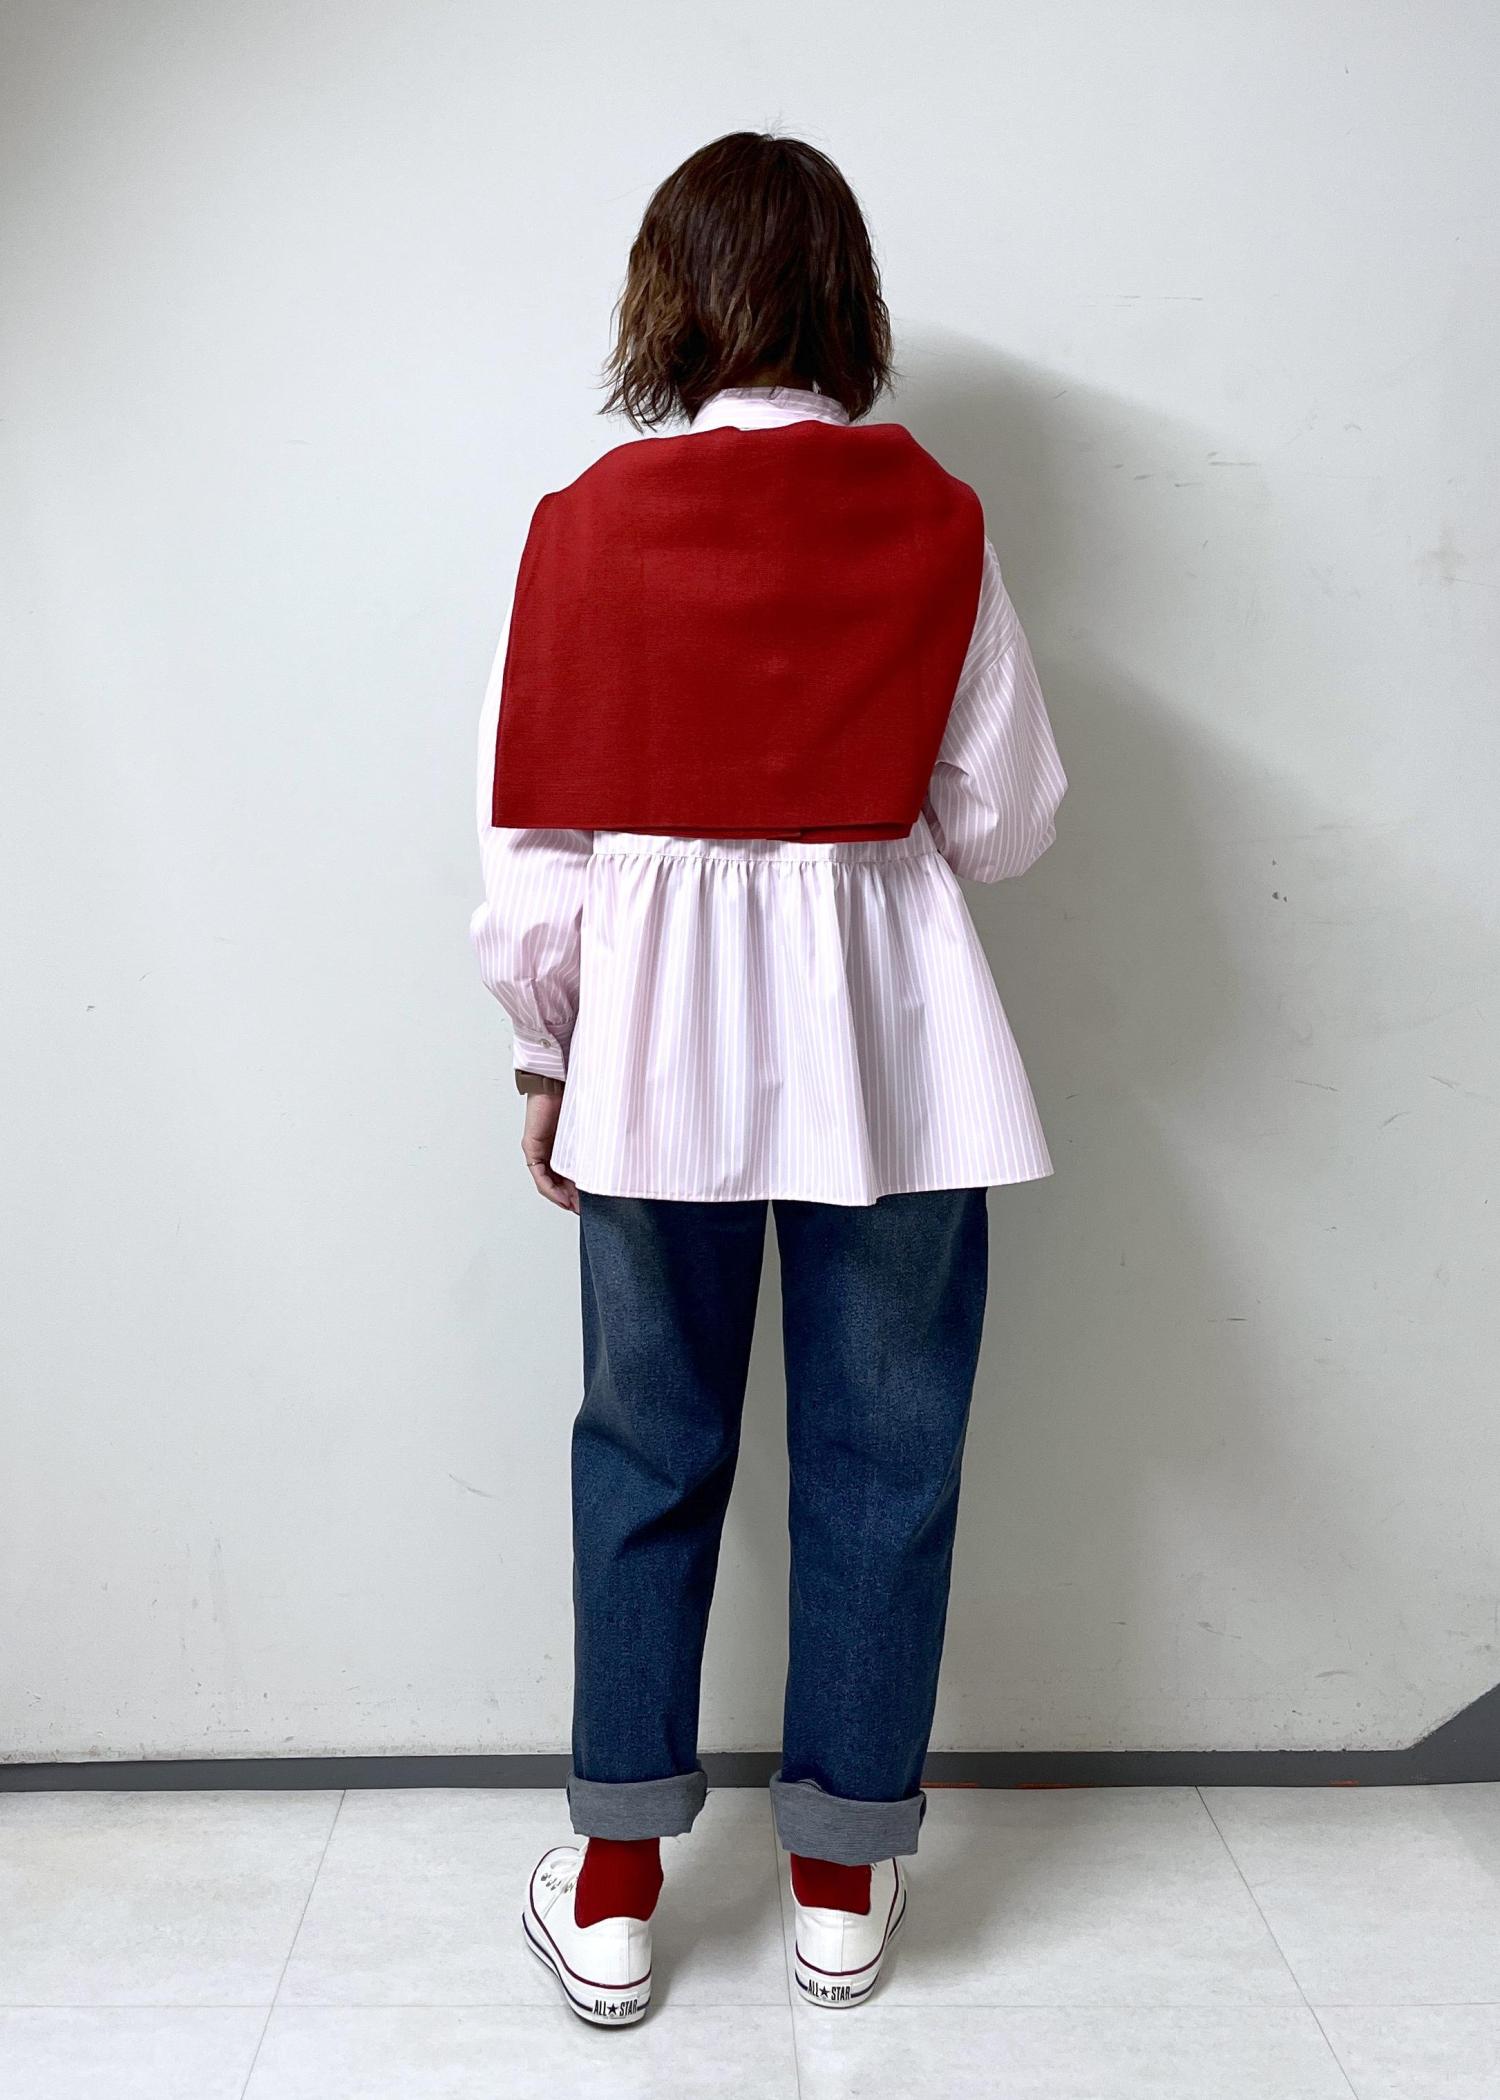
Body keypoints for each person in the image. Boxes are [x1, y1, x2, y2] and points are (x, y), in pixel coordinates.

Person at [470, 130, 1066, 2026]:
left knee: (646, 1445)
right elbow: (1007, 817)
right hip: (895, 1055)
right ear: (846, 301)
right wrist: (852, 842)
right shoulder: (938, 518)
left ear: (672, 299)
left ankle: (618, 1887)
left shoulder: (584, 525)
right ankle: (836, 1884)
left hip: (654, 1052)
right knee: (886, 1456)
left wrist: (547, 1055)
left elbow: (536, 853)